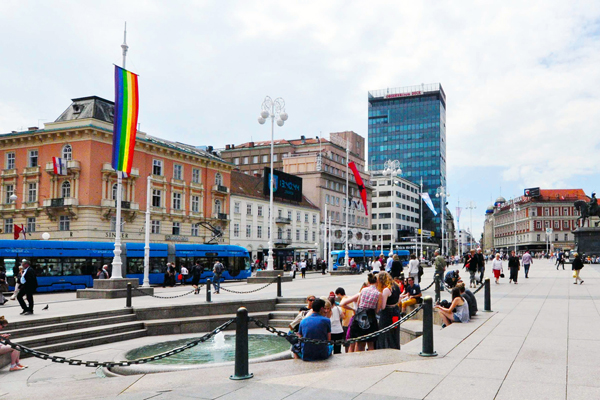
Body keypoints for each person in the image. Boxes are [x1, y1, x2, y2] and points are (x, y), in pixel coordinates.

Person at [340, 273, 380, 352]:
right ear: (377, 282)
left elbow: (358, 304)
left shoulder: (363, 290)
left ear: (368, 281)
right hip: (371, 316)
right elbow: (377, 309)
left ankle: (358, 361)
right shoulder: (378, 293)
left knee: (359, 343)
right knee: (371, 343)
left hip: (360, 315)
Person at [376, 272, 401, 350]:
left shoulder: (386, 290)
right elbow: (399, 299)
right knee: (395, 332)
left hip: (387, 313)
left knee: (385, 333)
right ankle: (395, 347)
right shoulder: (396, 286)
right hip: (396, 311)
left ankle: (385, 348)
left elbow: (383, 306)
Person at [335, 287, 354, 353]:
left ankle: (347, 354)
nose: (337, 297)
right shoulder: (350, 298)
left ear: (339, 294)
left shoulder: (343, 301)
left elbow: (343, 314)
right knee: (352, 342)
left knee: (347, 343)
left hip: (346, 323)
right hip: (352, 322)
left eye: (337, 295)